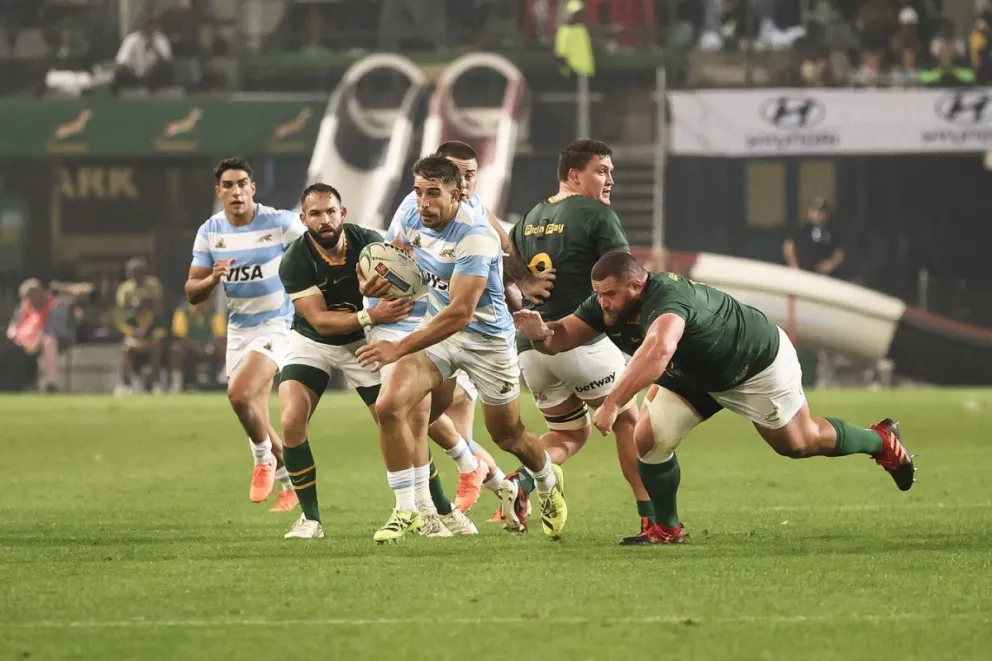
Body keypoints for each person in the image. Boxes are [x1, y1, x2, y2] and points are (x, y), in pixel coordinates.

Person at [514, 250, 916, 545]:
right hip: (694, 374)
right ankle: (666, 528)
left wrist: (612, 403)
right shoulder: (608, 304)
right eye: (599, 294)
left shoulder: (666, 301)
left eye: (611, 294)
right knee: (648, 438)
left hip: (753, 364)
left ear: (637, 286)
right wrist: (542, 334)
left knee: (799, 443)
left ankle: (880, 440)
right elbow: (565, 334)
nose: (603, 302)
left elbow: (658, 352)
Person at [357, 156, 567, 543]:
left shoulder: (475, 235)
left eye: (433, 194)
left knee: (507, 435)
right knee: (390, 407)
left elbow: (460, 312)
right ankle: (406, 510)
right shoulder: (412, 212)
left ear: (457, 195)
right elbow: (396, 259)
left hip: (486, 342)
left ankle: (547, 481)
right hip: (441, 335)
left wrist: (397, 347)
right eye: (419, 192)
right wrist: (378, 281)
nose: (423, 202)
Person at [276, 182, 476, 539]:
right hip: (312, 342)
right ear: (303, 219)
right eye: (315, 214)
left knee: (401, 421)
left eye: (330, 211)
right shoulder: (295, 260)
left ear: (342, 213)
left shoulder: (370, 244)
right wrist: (372, 314)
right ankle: (310, 519)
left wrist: (394, 299)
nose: (324, 220)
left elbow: (411, 285)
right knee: (291, 420)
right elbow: (319, 321)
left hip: (364, 343)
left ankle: (441, 510)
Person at [501, 138, 653, 541]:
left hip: (533, 350)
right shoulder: (596, 215)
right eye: (601, 171)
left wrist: (525, 290)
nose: (610, 180)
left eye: (611, 172)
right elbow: (623, 275)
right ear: (574, 175)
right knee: (628, 421)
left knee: (570, 433)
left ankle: (522, 480)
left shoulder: (529, 218)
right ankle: (651, 517)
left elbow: (504, 267)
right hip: (581, 343)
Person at [184, 157, 302, 512]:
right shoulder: (210, 231)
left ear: (252, 188)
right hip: (239, 330)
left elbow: (319, 249)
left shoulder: (280, 222)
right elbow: (192, 292)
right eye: (228, 186)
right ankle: (291, 484)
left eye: (242, 184)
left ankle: (263, 459)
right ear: (218, 192)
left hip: (277, 323)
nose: (236, 191)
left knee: (238, 394)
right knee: (251, 409)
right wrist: (212, 278)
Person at [170, 297, 226, 393]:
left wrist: (208, 346)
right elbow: (180, 336)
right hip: (189, 347)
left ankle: (222, 379)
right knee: (176, 348)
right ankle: (176, 382)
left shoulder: (214, 313)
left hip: (208, 346)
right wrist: (196, 347)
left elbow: (220, 335)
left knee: (224, 347)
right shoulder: (183, 312)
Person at [117, 297, 169, 394]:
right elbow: (127, 339)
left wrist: (143, 344)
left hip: (152, 348)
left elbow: (158, 340)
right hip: (136, 348)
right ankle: (126, 384)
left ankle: (156, 384)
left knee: (156, 349)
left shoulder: (158, 319)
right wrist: (138, 344)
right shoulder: (129, 319)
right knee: (126, 349)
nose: (140, 312)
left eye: (142, 309)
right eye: (137, 310)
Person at [783, 197, 844, 276]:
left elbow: (839, 253)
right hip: (802, 272)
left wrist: (831, 264)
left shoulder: (831, 232)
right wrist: (793, 264)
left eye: (822, 212)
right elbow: (788, 245)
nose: (819, 214)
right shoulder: (802, 228)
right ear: (810, 212)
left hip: (822, 275)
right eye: (815, 211)